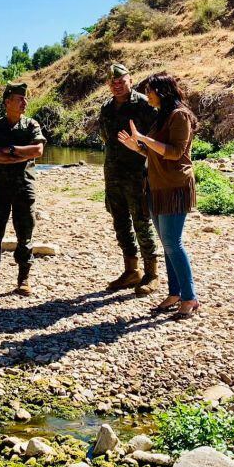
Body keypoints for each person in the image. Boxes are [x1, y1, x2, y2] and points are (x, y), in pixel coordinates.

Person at [117, 72, 200, 320]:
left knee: (173, 243)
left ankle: (190, 298)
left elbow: (175, 153)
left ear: (162, 91)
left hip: (175, 188)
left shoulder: (180, 116)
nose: (147, 95)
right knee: (167, 244)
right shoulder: (162, 116)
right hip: (156, 187)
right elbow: (156, 153)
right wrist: (138, 146)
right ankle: (175, 294)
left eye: (150, 90)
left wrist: (145, 139)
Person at [97, 63, 159, 295]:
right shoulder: (106, 108)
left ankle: (152, 274)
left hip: (137, 174)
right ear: (108, 85)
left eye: (121, 81)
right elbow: (106, 138)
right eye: (113, 83)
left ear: (130, 81)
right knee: (120, 222)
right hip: (113, 175)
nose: (118, 86)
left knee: (142, 222)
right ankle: (131, 271)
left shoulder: (144, 104)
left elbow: (157, 137)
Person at [0, 82, 46, 296]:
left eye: (25, 99)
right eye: (20, 99)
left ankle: (23, 278)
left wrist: (11, 150)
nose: (24, 102)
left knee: (25, 232)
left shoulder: (31, 125)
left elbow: (37, 150)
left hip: (24, 187)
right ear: (7, 102)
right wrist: (19, 156)